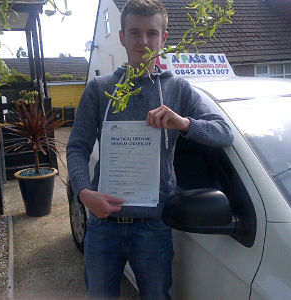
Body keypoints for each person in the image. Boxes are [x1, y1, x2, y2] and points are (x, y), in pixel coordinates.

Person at [66, 0, 234, 299]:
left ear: (163, 38)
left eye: (151, 33)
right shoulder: (99, 89)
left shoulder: (177, 89)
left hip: (154, 226)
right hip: (104, 224)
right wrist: (84, 194)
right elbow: (77, 148)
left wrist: (183, 123)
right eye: (134, 32)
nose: (143, 42)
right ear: (121, 37)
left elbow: (223, 133)